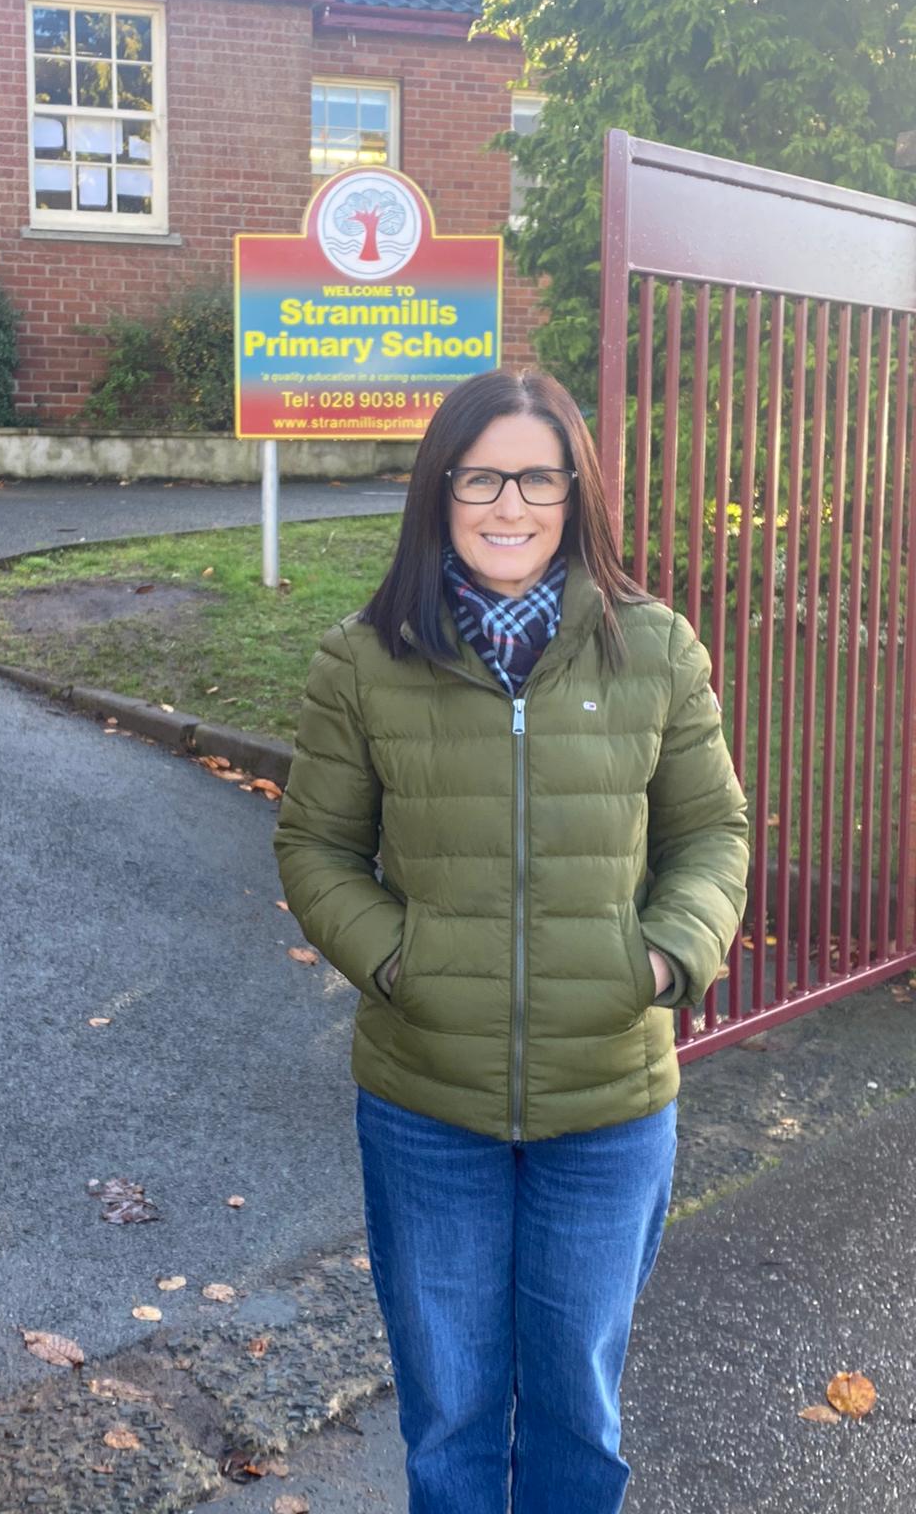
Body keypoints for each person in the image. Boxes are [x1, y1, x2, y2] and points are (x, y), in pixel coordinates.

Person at [273, 368, 749, 1514]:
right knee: (452, 1407)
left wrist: (663, 957)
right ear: (439, 491)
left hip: (611, 1100)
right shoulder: (363, 660)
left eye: (539, 476)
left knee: (579, 1411)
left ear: (575, 492)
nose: (509, 503)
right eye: (479, 475)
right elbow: (317, 850)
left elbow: (713, 833)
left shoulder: (657, 650)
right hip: (427, 1102)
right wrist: (404, 962)